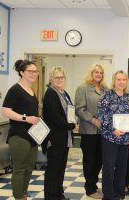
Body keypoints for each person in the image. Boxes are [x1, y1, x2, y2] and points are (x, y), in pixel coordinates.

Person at [2, 59, 40, 200]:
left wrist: (36, 119)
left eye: (35, 71)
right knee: (19, 169)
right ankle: (19, 197)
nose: (33, 74)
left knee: (29, 168)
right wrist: (26, 118)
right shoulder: (15, 90)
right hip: (19, 136)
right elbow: (5, 111)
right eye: (30, 71)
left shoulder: (31, 90)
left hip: (32, 136)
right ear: (22, 72)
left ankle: (23, 194)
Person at [97, 70, 129, 200]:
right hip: (110, 138)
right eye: (119, 79)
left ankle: (119, 194)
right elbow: (101, 116)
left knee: (121, 168)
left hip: (125, 139)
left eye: (124, 80)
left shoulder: (128, 97)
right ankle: (108, 196)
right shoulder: (106, 96)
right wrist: (113, 129)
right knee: (108, 168)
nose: (121, 82)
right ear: (114, 81)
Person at [43, 66, 78, 200]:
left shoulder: (64, 93)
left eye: (62, 77)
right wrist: (71, 126)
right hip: (55, 139)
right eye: (56, 77)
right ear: (51, 79)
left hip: (64, 138)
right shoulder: (50, 93)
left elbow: (69, 112)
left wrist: (74, 122)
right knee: (53, 170)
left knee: (60, 169)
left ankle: (58, 194)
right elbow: (55, 116)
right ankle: (51, 197)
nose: (59, 79)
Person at [75, 64, 108, 199]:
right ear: (91, 73)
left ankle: (94, 185)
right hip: (89, 131)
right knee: (90, 161)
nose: (98, 74)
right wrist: (94, 120)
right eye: (96, 72)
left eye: (101, 72)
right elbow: (79, 109)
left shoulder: (106, 89)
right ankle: (89, 188)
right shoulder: (82, 88)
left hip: (103, 132)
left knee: (100, 160)